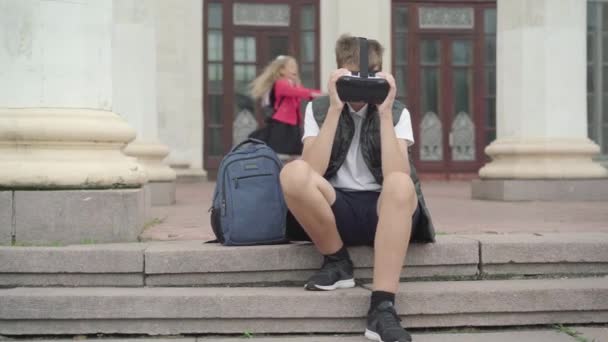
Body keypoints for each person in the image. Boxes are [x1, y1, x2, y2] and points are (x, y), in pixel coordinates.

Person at [280, 35, 435, 342]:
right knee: (294, 172)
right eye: (354, 75)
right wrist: (336, 109)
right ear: (339, 72)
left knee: (401, 183)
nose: (363, 83)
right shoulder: (320, 109)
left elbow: (396, 174)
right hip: (339, 210)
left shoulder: (397, 112)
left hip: (388, 210)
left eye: (372, 73)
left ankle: (382, 307)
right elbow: (313, 171)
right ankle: (338, 261)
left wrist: (385, 112)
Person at [249, 55, 321, 156]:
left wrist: (317, 95)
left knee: (295, 154)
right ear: (282, 70)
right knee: (281, 153)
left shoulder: (294, 84)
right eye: (291, 67)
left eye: (296, 67)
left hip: (293, 125)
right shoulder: (280, 83)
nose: (295, 69)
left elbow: (301, 93)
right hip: (282, 125)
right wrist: (316, 94)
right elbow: (296, 92)